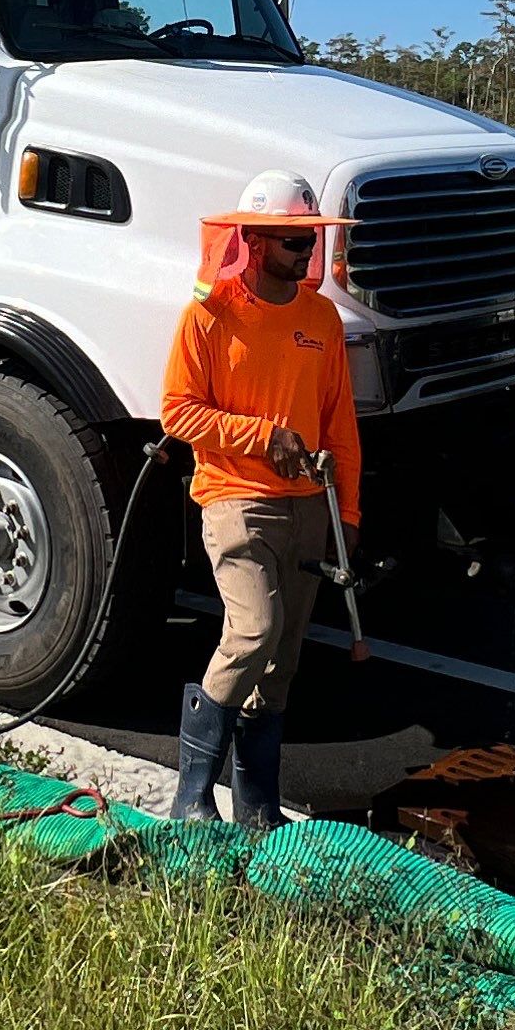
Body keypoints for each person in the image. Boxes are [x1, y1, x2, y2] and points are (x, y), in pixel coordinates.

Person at [157, 170, 362, 826]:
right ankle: (192, 797)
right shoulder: (209, 316)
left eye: (310, 242)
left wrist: (348, 514)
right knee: (255, 627)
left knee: (281, 663)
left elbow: (341, 426)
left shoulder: (321, 318)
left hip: (307, 508)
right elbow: (176, 413)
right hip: (234, 497)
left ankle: (258, 807)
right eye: (292, 242)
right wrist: (260, 436)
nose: (307, 256)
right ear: (252, 239)